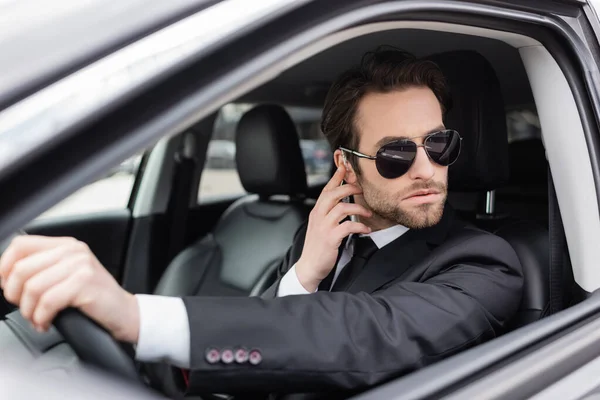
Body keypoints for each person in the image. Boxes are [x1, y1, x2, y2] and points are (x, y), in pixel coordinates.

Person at [0, 48, 523, 398]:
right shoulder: (317, 236)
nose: (427, 168)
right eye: (395, 154)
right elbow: (264, 335)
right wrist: (305, 274)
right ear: (346, 165)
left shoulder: (482, 263)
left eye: (439, 144)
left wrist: (135, 316)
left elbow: (360, 334)